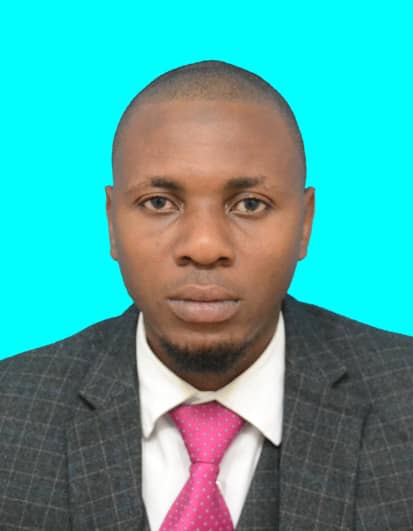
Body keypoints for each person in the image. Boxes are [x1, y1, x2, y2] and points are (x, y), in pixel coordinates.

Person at [0, 60, 412, 531]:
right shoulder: (10, 416)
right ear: (112, 223)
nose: (204, 246)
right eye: (159, 203)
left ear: (304, 223)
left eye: (250, 204)